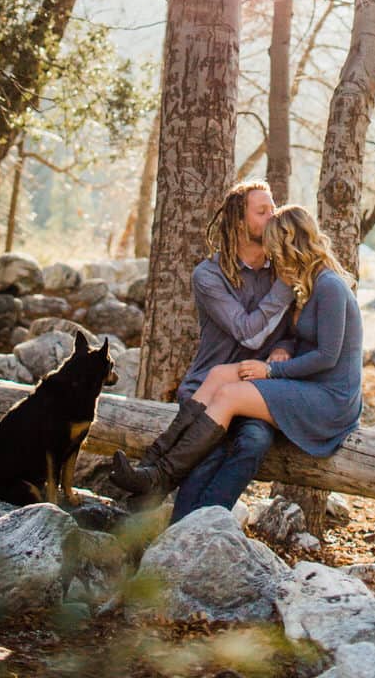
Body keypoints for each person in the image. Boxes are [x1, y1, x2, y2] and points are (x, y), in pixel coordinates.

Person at [113, 205, 362, 497]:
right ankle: (150, 464)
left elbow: (327, 356)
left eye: (273, 250)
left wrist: (271, 370)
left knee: (229, 396)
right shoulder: (305, 283)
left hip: (330, 399)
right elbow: (300, 337)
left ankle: (161, 479)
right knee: (219, 375)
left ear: (288, 246)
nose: (270, 257)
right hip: (306, 384)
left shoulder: (329, 285)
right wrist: (284, 348)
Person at [112, 180, 295, 519]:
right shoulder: (209, 275)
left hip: (257, 393)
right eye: (263, 211)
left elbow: (290, 331)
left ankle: (198, 526)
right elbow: (248, 334)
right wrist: (285, 288)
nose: (274, 216)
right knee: (208, 453)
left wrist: (283, 347)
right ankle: (178, 535)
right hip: (207, 391)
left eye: (274, 208)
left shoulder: (282, 271)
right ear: (239, 221)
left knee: (253, 443)